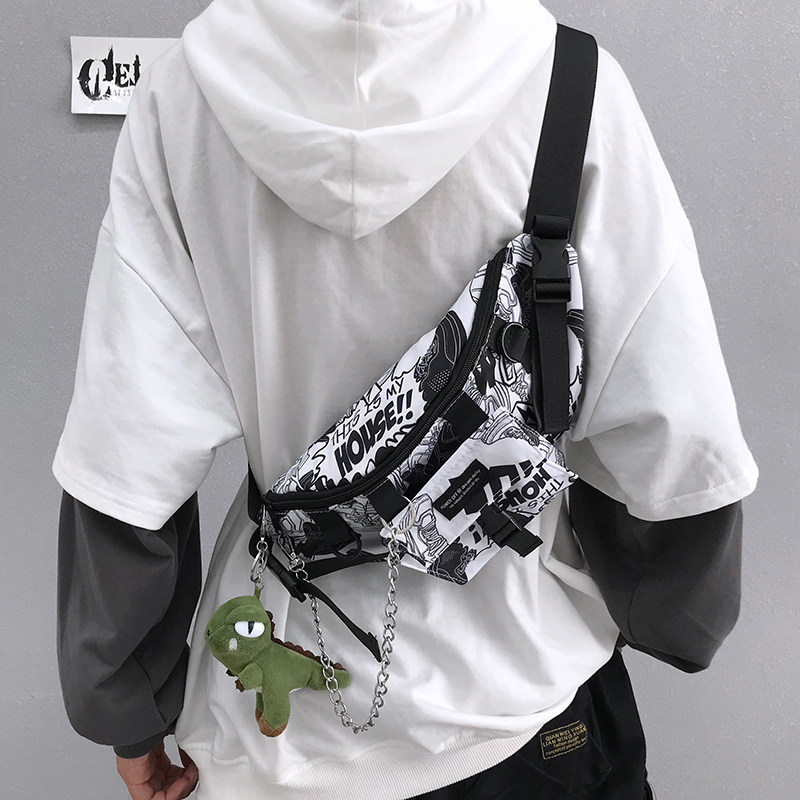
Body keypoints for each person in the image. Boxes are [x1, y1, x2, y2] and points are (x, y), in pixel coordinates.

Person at [53, 1, 758, 799]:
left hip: (276, 732)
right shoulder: (569, 83)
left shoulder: (184, 92)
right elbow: (671, 418)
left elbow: (127, 445)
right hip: (524, 697)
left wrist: (128, 708)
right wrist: (669, 613)